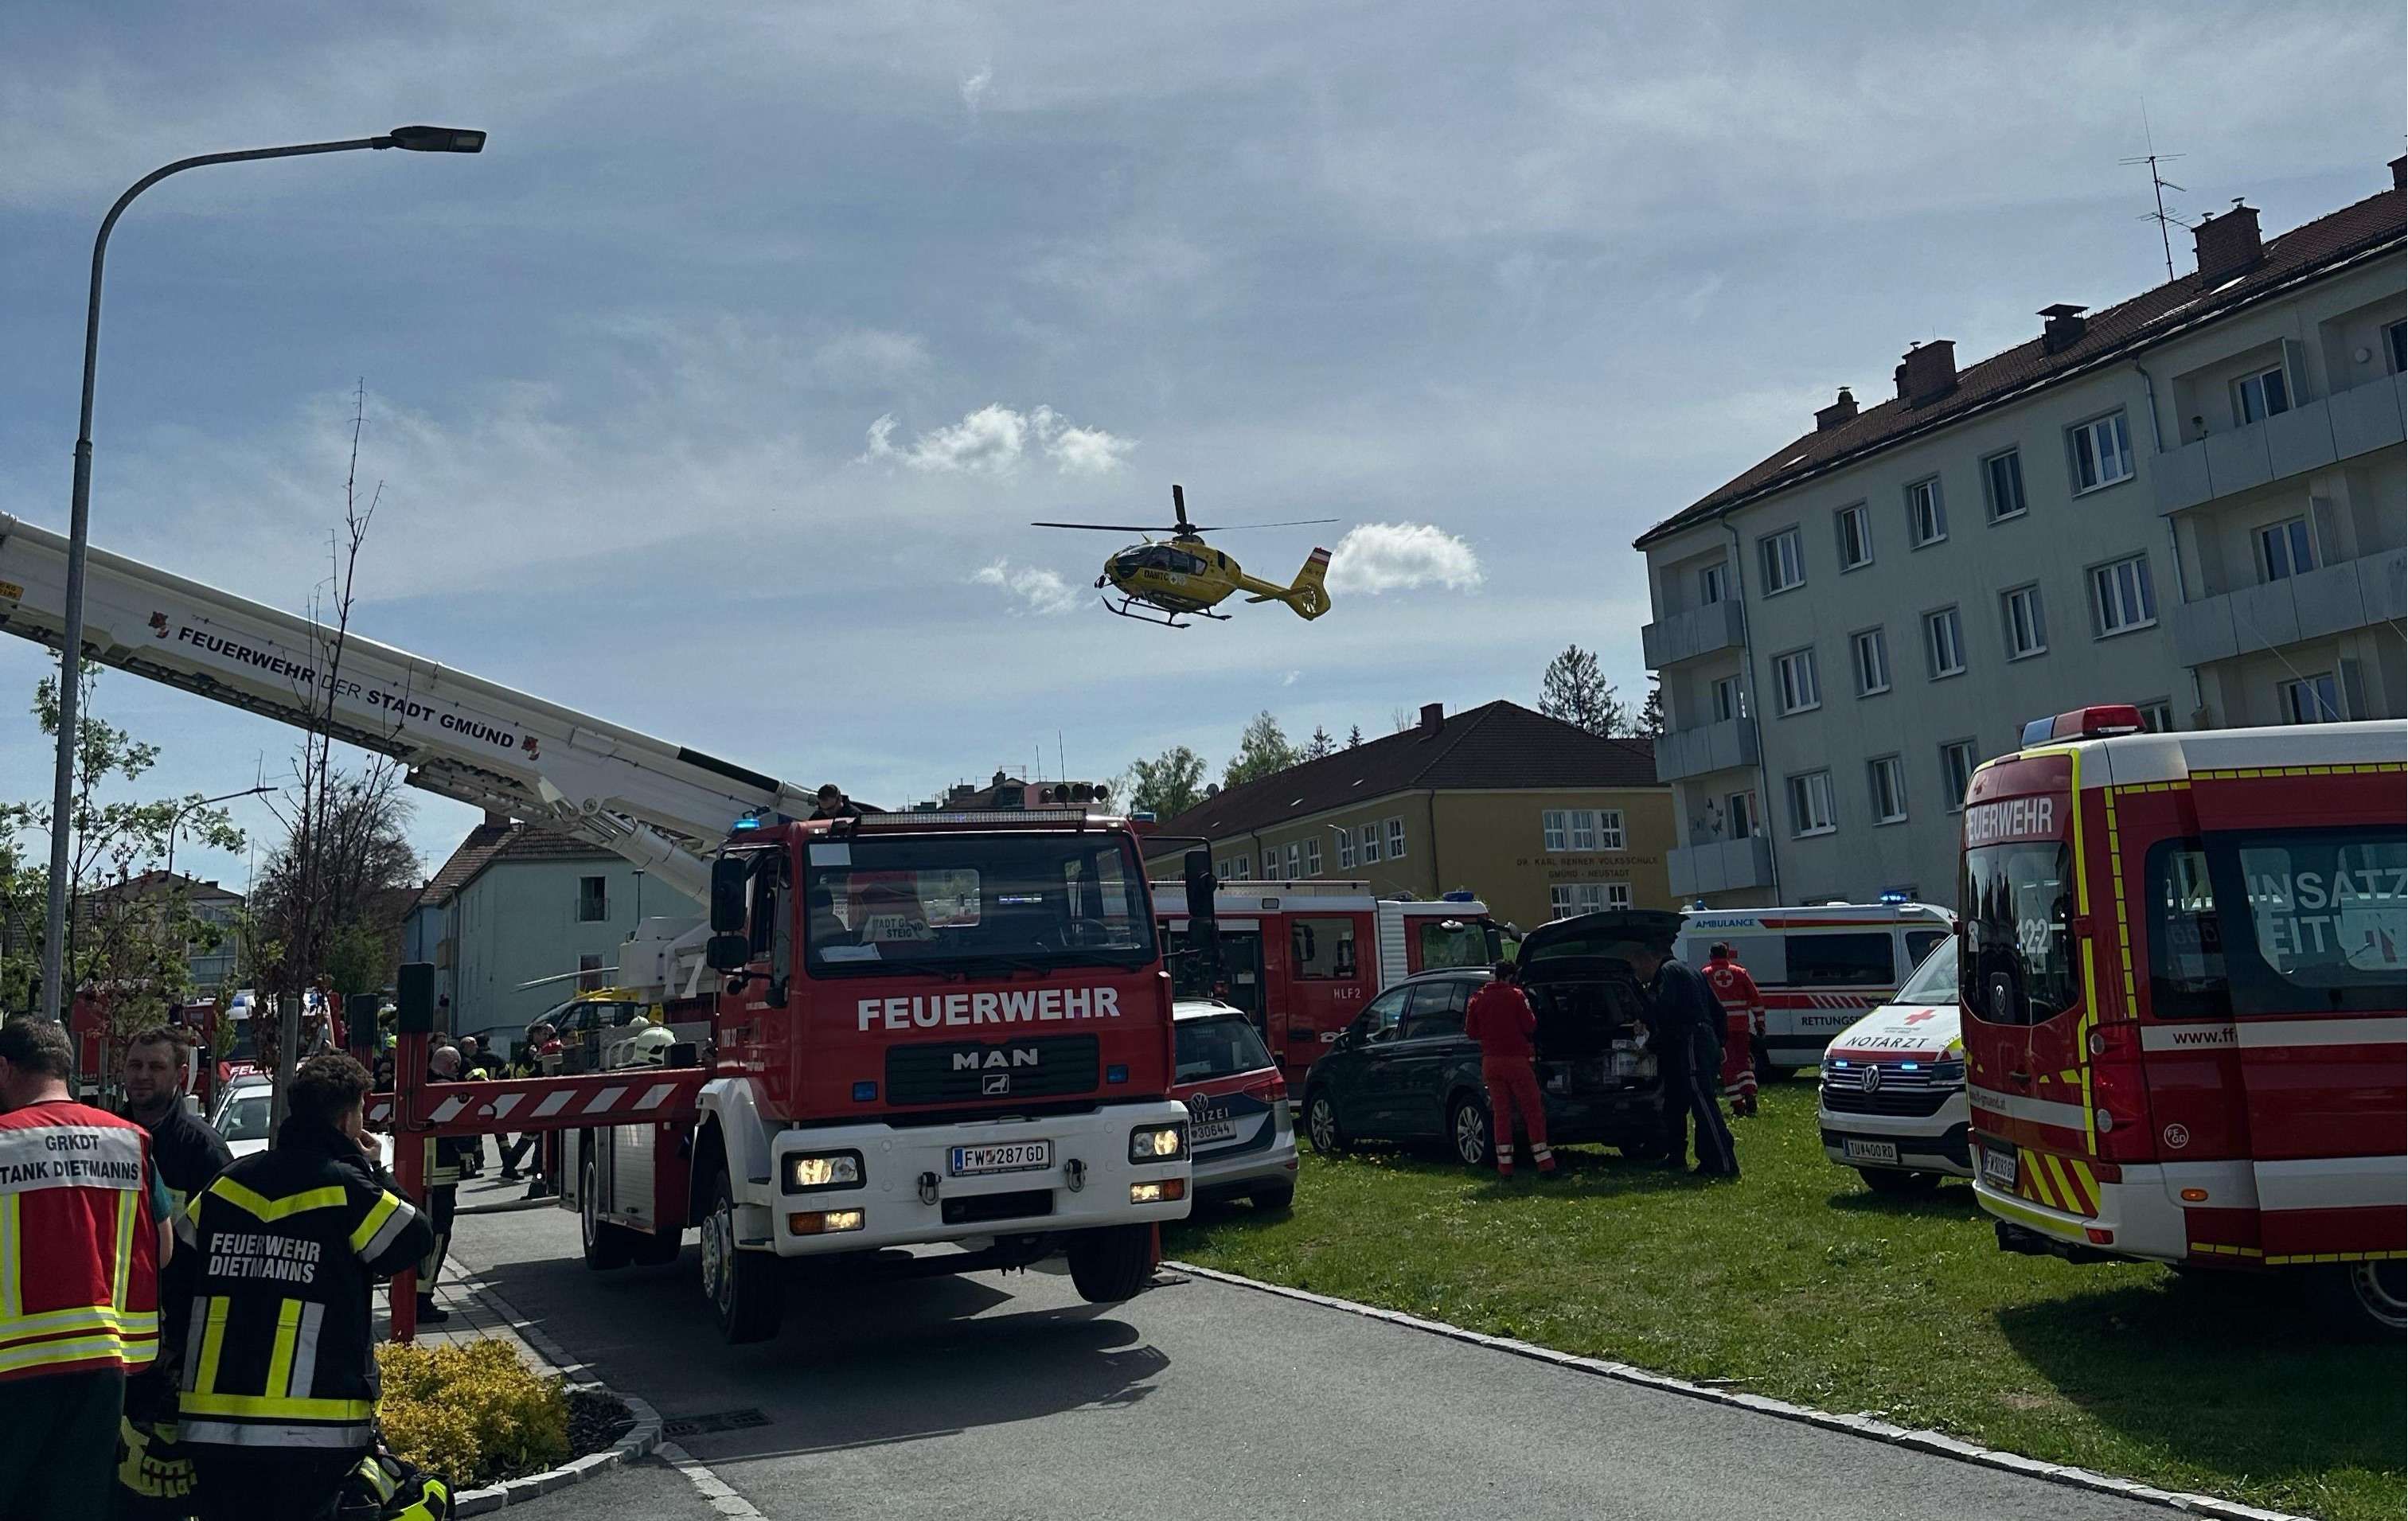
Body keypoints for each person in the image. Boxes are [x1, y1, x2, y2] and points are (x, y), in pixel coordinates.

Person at [178, 1051, 434, 1521]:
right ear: (349, 1116)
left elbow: (177, 1274)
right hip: (317, 1424)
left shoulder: (228, 1184)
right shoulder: (345, 1188)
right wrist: (375, 1168)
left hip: (213, 1420)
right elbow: (414, 1240)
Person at [0, 1017, 168, 1519]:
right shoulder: (128, 1141)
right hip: (102, 1365)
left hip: (11, 1367)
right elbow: (163, 1251)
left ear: (5, 1070)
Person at [116, 1026, 234, 1517]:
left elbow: (226, 1253)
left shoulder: (203, 1151)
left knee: (176, 1481)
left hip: (185, 1339)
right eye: (135, 1066)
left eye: (155, 1067)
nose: (142, 1077)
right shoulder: (109, 1139)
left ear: (181, 1076)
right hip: (119, 1334)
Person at [1625, 936, 1740, 1178]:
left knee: (1702, 1102)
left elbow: (1667, 1014)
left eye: (1637, 966)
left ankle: (1723, 1163)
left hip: (1691, 1040)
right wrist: (1718, 1042)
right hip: (1699, 1039)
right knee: (1676, 1101)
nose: (1638, 974)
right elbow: (1718, 1009)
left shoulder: (1669, 973)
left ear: (1650, 959)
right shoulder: (1688, 970)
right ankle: (1677, 1156)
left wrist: (1648, 1044)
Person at [1462, 961, 1555, 1180]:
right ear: (1511, 977)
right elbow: (1530, 1025)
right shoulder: (1516, 995)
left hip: (1491, 1063)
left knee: (1501, 1115)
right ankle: (1545, 1163)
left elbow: (1471, 1031)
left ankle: (1505, 1168)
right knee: (1532, 1111)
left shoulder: (1477, 998)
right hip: (1516, 1061)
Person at [416, 1046, 472, 1324]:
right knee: (437, 1236)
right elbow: (459, 1132)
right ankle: (421, 1299)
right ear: (452, 1065)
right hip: (438, 1176)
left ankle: (408, 1293)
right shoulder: (447, 1092)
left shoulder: (420, 1084)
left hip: (420, 1174)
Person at [1702, 942, 1765, 1119]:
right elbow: (1756, 999)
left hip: (1720, 1030)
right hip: (1741, 1027)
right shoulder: (1740, 972)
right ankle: (1750, 1094)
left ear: (1711, 955)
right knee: (1743, 1062)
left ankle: (1738, 1105)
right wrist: (1760, 1024)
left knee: (1727, 1065)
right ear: (1727, 954)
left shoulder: (1705, 974)